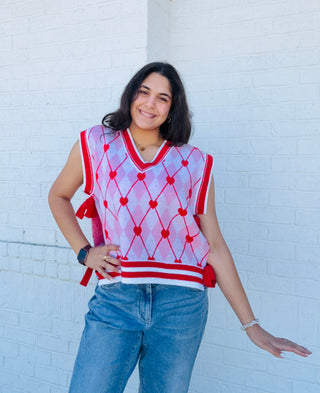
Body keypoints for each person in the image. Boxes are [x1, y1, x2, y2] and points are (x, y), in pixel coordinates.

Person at [48, 62, 311, 393]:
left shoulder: (195, 162)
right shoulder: (96, 143)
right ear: (131, 95)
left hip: (181, 305)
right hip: (117, 299)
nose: (149, 104)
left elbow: (213, 245)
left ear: (173, 108)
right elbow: (58, 196)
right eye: (144, 92)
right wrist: (84, 252)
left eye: (162, 98)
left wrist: (252, 325)